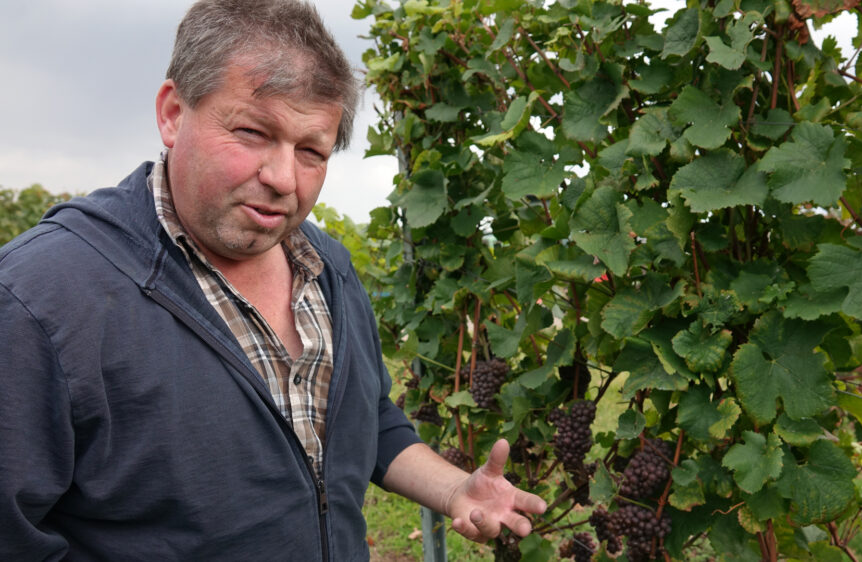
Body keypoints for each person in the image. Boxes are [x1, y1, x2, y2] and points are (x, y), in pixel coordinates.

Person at [0, 0, 546, 559]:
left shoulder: (328, 268)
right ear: (172, 112)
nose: (285, 179)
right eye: (253, 132)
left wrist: (455, 488)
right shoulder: (41, 299)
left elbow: (368, 420)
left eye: (311, 151)